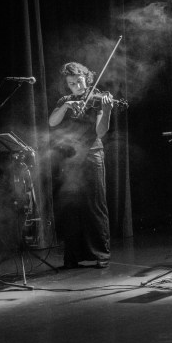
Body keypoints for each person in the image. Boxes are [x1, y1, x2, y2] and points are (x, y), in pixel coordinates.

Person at [49, 62, 114, 269]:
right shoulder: (65, 100)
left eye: (79, 81)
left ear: (87, 78)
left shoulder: (97, 100)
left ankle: (101, 254)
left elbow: (101, 132)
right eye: (72, 83)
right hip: (69, 157)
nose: (77, 86)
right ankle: (72, 257)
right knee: (71, 206)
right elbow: (52, 122)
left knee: (95, 204)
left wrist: (107, 109)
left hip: (92, 154)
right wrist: (66, 106)